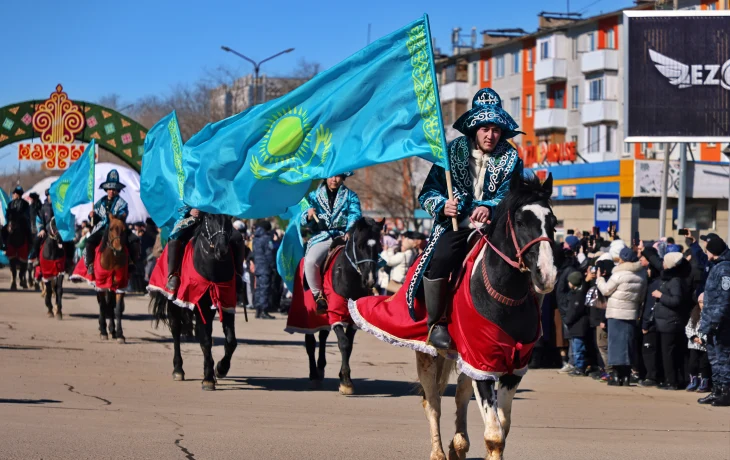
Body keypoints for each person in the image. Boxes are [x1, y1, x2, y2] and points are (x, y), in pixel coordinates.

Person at [417, 88, 524, 350]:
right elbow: (428, 193)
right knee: (440, 258)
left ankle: (524, 321)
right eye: (485, 128)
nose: (491, 135)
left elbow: (516, 195)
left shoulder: (512, 158)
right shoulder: (451, 152)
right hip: (457, 227)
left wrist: (491, 207)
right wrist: (443, 206)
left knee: (526, 261)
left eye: (496, 129)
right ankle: (437, 322)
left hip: (494, 229)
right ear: (474, 128)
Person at [301, 173, 362, 313]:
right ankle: (318, 296)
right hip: (322, 237)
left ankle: (368, 289)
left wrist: (350, 230)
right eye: (331, 176)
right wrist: (308, 215)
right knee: (310, 262)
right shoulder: (313, 196)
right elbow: (302, 218)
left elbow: (355, 214)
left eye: (338, 176)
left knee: (367, 257)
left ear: (343, 178)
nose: (334, 179)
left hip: (343, 235)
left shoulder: (351, 196)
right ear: (326, 177)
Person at [597, 247, 647, 386]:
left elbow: (606, 290)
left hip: (615, 314)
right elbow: (642, 296)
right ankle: (626, 377)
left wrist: (599, 279)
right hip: (631, 313)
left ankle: (616, 376)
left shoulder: (618, 274)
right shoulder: (641, 274)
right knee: (627, 345)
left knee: (615, 345)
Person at [698, 234, 730, 406]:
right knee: (714, 359)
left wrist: (716, 320)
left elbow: (725, 298)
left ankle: (725, 392)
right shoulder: (715, 266)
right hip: (711, 321)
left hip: (721, 323)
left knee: (723, 358)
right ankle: (717, 390)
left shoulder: (725, 268)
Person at [653, 252, 693, 390]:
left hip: (671, 322)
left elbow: (676, 300)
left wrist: (661, 295)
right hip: (666, 321)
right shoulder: (670, 278)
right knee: (669, 353)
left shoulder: (675, 280)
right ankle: (672, 379)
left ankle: (672, 381)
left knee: (669, 354)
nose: (662, 264)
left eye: (664, 262)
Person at [84, 170, 128, 276]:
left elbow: (123, 215)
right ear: (106, 189)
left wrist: (114, 217)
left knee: (133, 241)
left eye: (114, 189)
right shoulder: (100, 203)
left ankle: (131, 263)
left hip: (117, 229)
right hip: (102, 229)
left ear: (117, 190)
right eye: (109, 189)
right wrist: (92, 216)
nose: (111, 191)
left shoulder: (122, 203)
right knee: (89, 241)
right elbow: (95, 220)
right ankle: (90, 264)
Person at [585, 259, 614, 382]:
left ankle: (609, 371)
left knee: (603, 346)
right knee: (599, 346)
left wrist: (602, 320)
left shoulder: (606, 284)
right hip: (594, 319)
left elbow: (605, 304)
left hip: (601, 321)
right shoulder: (598, 282)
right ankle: (603, 369)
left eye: (598, 270)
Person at [639, 246, 664, 387]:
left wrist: (646, 324)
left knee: (649, 350)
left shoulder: (656, 283)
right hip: (653, 321)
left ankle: (652, 377)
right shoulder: (652, 281)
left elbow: (651, 306)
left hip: (652, 323)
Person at [556, 236, 581, 373]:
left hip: (567, 307)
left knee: (571, 337)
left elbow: (568, 290)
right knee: (568, 336)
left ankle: (572, 363)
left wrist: (565, 307)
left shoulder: (571, 268)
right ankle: (570, 362)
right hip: (563, 306)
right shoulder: (566, 266)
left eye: (565, 244)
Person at [164, 206, 201, 292]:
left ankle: (236, 274)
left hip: (212, 218)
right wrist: (189, 211)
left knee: (236, 237)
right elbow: (179, 203)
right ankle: (173, 274)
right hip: (190, 218)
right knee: (175, 238)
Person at [564, 271, 590, 376]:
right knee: (576, 348)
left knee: (579, 349)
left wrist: (567, 320)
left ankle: (580, 367)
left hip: (578, 326)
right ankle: (577, 366)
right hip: (575, 328)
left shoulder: (579, 295)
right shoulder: (574, 293)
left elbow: (575, 311)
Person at [381, 231, 419, 295]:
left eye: (402, 245)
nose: (401, 246)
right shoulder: (412, 253)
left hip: (396, 283)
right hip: (401, 281)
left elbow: (389, 262)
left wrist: (385, 251)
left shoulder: (403, 255)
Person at [686, 296, 711, 393]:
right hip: (694, 345)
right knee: (692, 364)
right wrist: (693, 337)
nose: (702, 305)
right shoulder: (695, 314)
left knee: (703, 365)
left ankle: (704, 383)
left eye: (704, 302)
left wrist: (703, 339)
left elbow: (710, 330)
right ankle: (693, 381)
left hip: (704, 346)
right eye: (700, 302)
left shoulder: (710, 315)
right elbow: (688, 327)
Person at [252, 220, 277, 319]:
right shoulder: (266, 239)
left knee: (258, 289)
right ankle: (264, 311)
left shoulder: (256, 239)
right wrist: (273, 266)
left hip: (258, 267)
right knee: (265, 289)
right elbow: (269, 254)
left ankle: (258, 310)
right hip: (265, 267)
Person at [1, 185, 31, 251]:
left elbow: (26, 215)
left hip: (21, 222)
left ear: (17, 194)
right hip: (12, 222)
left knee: (28, 232)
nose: (13, 195)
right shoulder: (10, 204)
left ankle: (30, 249)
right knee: (3, 230)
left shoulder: (25, 203)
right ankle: (4, 245)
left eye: (14, 193)